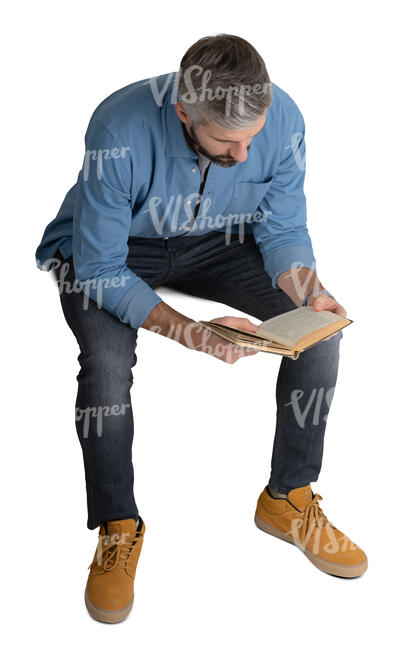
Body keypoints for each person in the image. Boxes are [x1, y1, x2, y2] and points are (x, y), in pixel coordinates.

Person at [35, 33, 367, 623]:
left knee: (322, 329)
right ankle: (117, 524)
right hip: (111, 252)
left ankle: (287, 498)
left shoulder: (283, 118)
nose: (244, 156)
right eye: (225, 142)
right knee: (106, 369)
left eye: (253, 138)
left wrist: (308, 290)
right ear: (185, 113)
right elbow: (101, 267)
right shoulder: (118, 129)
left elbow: (282, 226)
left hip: (217, 242)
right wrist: (190, 331)